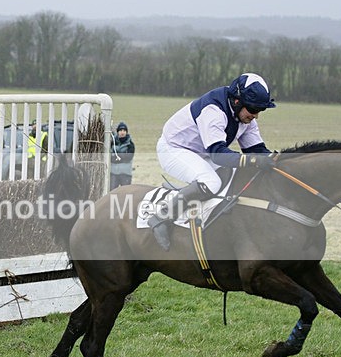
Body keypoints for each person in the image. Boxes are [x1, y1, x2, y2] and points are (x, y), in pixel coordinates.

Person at [148, 73, 277, 251]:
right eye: (254, 110)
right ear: (237, 101)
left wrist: (277, 160)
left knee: (237, 175)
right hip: (174, 149)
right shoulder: (213, 111)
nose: (256, 116)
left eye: (260, 111)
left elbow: (256, 150)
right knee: (211, 182)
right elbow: (218, 155)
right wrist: (253, 160)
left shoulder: (244, 115)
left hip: (203, 151)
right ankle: (162, 217)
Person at [110, 121, 135, 189]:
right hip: (113, 173)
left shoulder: (130, 144)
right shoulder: (112, 143)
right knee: (112, 193)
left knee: (126, 193)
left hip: (126, 173)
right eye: (120, 130)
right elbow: (110, 158)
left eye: (124, 130)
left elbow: (128, 158)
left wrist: (116, 157)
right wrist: (122, 157)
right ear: (118, 132)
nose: (122, 132)